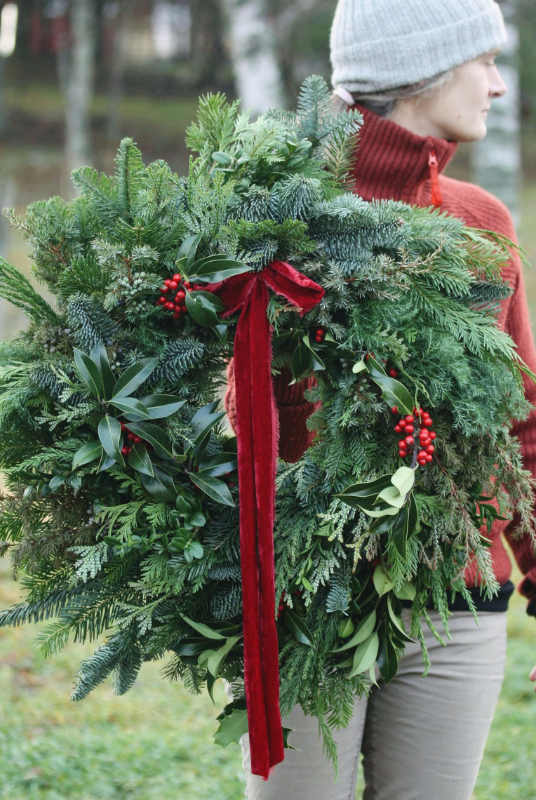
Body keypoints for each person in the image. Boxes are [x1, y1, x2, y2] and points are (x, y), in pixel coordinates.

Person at [224, 1, 536, 797]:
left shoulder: (481, 224)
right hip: (305, 604)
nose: (499, 86)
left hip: (458, 602)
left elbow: (521, 420)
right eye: (485, 61)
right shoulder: (280, 226)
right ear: (421, 68)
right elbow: (221, 413)